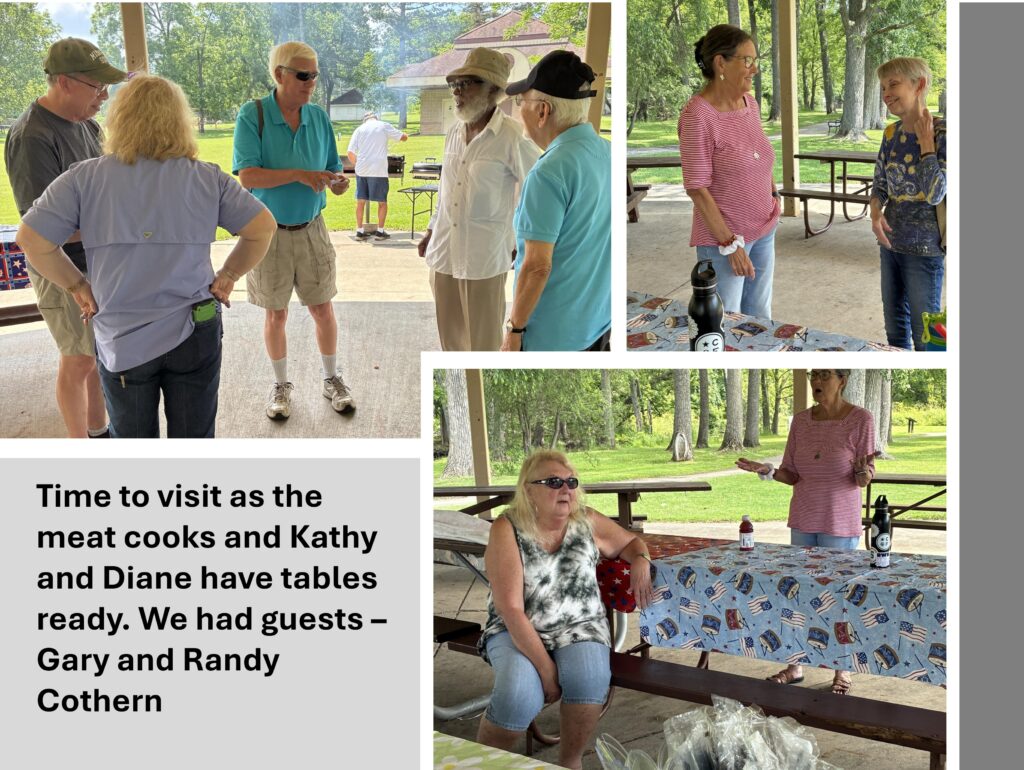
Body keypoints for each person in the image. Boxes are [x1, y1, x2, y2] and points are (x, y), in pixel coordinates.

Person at [17, 75, 275, 438]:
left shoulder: (84, 178)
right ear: (179, 121)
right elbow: (262, 227)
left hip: (122, 333)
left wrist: (77, 285)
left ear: (118, 119)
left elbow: (31, 239)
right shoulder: (206, 178)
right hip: (194, 324)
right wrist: (229, 274)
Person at [476, 450, 654, 769]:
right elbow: (511, 609)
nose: (566, 489)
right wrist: (546, 671)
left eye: (571, 482)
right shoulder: (507, 528)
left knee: (591, 679)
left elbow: (630, 543)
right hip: (516, 628)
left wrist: (641, 559)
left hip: (580, 626)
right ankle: (478, 763)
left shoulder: (586, 520)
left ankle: (569, 762)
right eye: (554, 482)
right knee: (519, 694)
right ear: (528, 490)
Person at [3, 38, 126, 438]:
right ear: (66, 82)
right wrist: (111, 222)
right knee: (77, 359)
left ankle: (98, 431)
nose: (104, 97)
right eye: (98, 87)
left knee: (98, 354)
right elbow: (40, 229)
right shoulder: (32, 136)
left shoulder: (87, 125)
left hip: (97, 257)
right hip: (61, 264)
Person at [233, 41, 354, 421]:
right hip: (268, 232)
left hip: (313, 228)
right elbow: (247, 176)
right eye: (303, 75)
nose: (311, 82)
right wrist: (300, 175)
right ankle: (280, 385)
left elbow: (335, 166)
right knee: (276, 313)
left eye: (315, 75)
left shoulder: (318, 117)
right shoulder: (253, 115)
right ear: (279, 75)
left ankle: (331, 378)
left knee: (322, 308)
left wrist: (336, 181)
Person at [736, 369, 875, 695]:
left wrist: (861, 473)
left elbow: (866, 475)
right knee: (798, 595)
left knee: (838, 597)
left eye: (825, 375)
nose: (816, 381)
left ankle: (843, 670)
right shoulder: (800, 421)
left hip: (839, 524)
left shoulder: (860, 419)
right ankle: (795, 664)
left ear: (842, 380)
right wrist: (767, 471)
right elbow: (792, 474)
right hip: (803, 519)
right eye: (814, 375)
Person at [418, 48, 541, 351]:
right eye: (455, 83)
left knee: (483, 346)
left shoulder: (513, 136)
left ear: (494, 91)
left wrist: (517, 241)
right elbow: (447, 191)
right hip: (445, 253)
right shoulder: (453, 133)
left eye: (468, 82)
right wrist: (432, 229)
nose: (457, 90)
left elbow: (537, 194)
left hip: (484, 259)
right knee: (451, 343)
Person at [501, 51, 610, 352]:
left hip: (553, 335)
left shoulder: (548, 172)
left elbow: (537, 267)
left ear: (542, 111)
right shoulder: (606, 153)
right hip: (598, 321)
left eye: (521, 102)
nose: (517, 110)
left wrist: (514, 329)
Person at [678, 24, 779, 319]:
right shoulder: (697, 116)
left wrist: (772, 194)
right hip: (724, 241)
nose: (755, 69)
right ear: (721, 62)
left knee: (760, 318)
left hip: (764, 228)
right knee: (725, 322)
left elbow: (759, 152)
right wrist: (729, 244)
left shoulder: (750, 103)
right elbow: (697, 187)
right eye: (747, 60)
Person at [870, 57, 947, 351]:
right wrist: (876, 209)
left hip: (925, 252)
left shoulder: (944, 133)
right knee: (895, 330)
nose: (886, 93)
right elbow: (880, 182)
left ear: (919, 85)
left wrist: (926, 147)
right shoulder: (891, 134)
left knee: (931, 336)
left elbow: (935, 193)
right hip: (889, 244)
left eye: (893, 84)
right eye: (883, 87)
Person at [347, 111, 407, 240]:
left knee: (360, 202)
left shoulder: (359, 129)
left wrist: (358, 166)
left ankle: (359, 231)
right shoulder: (383, 125)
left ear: (365, 120)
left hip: (362, 170)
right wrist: (405, 135)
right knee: (382, 202)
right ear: (376, 118)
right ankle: (380, 232)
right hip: (378, 170)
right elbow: (403, 137)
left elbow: (350, 153)